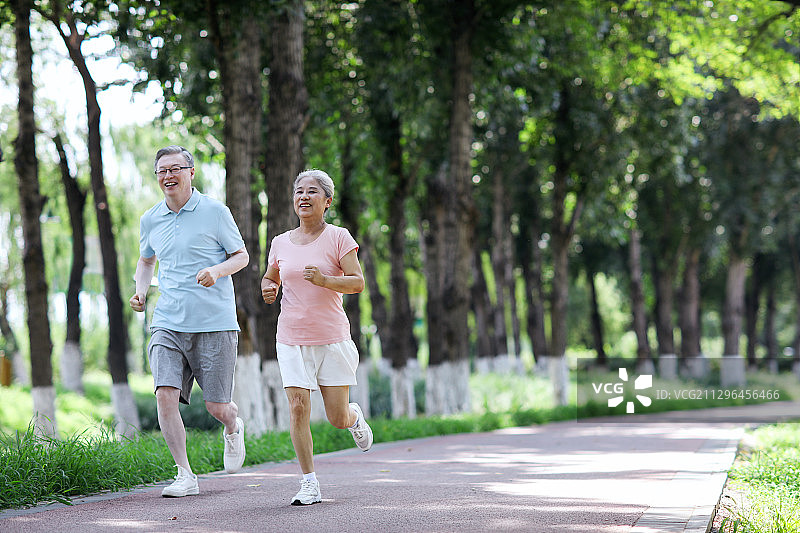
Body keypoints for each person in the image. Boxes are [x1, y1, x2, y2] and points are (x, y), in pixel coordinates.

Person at [130, 145, 249, 498]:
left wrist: (216, 270)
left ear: (190, 172)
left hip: (215, 322)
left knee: (216, 406)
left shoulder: (214, 211)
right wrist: (140, 291)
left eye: (175, 169)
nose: (168, 176)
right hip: (168, 321)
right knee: (165, 395)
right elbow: (146, 260)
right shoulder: (151, 218)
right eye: (162, 170)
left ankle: (232, 423)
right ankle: (185, 474)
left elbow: (241, 255)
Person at [261, 169, 374, 506]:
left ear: (327, 201)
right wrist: (269, 287)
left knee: (335, 418)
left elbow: (357, 282)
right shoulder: (280, 241)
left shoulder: (339, 237)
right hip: (291, 337)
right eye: (299, 191)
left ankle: (353, 417)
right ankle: (309, 481)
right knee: (298, 407)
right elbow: (271, 277)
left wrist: (326, 280)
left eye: (312, 191)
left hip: (331, 338)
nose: (304, 197)